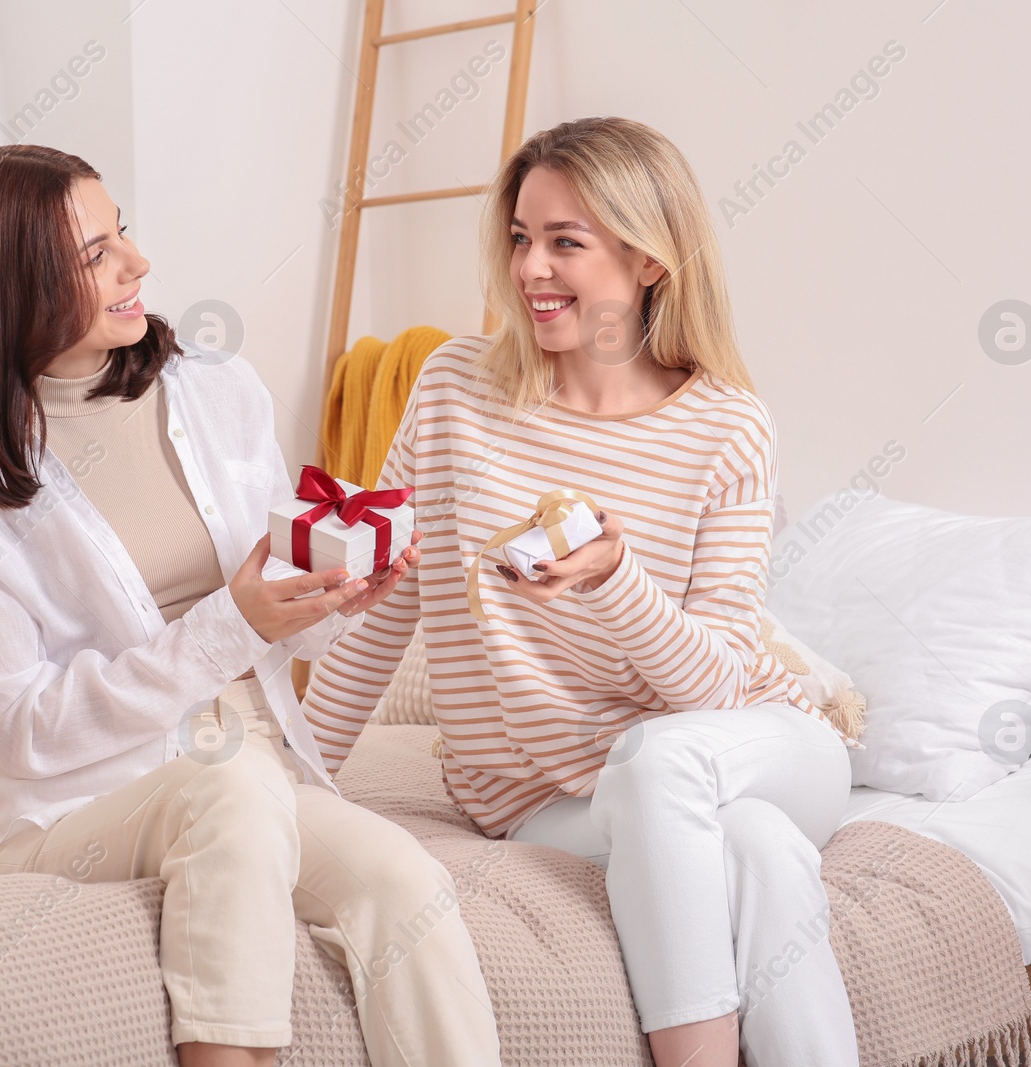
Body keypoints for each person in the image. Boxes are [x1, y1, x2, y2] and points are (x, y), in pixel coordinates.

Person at [0, 143, 501, 1067]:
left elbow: (264, 616)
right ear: (11, 284)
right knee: (232, 788)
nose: (137, 263)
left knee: (404, 883)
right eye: (95, 253)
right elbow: (20, 726)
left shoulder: (217, 391)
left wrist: (336, 594)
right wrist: (234, 623)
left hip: (248, 757)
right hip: (81, 801)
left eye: (122, 231)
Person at [304, 117, 862, 1067]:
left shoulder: (727, 426)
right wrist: (290, 777)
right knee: (759, 854)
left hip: (760, 741)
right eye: (522, 238)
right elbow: (389, 603)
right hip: (545, 797)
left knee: (661, 764)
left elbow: (720, 688)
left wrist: (617, 582)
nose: (531, 269)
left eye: (568, 242)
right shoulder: (453, 391)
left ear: (649, 260)